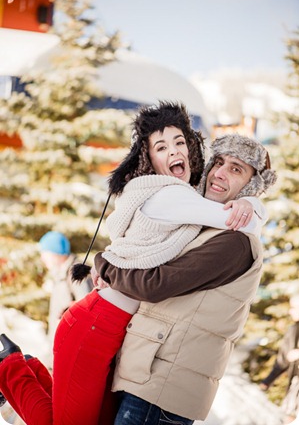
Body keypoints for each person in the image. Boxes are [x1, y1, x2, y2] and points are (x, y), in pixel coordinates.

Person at [0, 102, 271, 425]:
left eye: (179, 143)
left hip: (109, 330)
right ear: (149, 157)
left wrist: (251, 198)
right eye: (161, 147)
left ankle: (21, 367)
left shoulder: (189, 201)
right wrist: (253, 205)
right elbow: (237, 219)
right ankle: (10, 367)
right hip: (95, 326)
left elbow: (217, 206)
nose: (173, 152)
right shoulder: (170, 195)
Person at [92, 132, 277, 425]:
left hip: (162, 389)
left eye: (236, 169)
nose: (219, 173)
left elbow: (156, 285)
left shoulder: (234, 244)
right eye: (218, 162)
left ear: (251, 186)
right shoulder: (204, 223)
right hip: (149, 376)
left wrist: (105, 265)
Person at [39, 231, 92, 362]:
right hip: (59, 343)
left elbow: (87, 306)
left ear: (57, 253)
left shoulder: (76, 273)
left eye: (45, 254)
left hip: (70, 345)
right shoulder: (60, 274)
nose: (43, 258)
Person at [260, 294, 299, 424]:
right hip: (296, 387)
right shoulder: (294, 330)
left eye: (294, 307)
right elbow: (283, 358)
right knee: (290, 417)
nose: (290, 311)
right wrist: (268, 380)